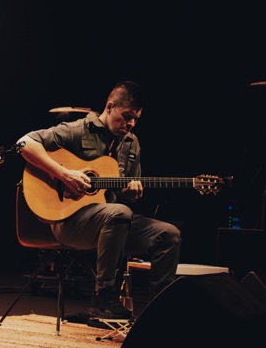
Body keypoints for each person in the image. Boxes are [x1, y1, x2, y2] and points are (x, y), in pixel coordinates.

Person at [16, 81, 181, 318]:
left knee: (169, 234)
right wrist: (63, 173)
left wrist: (131, 192)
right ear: (110, 106)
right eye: (126, 116)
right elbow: (23, 143)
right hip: (69, 222)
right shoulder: (78, 130)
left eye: (136, 119)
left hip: (112, 225)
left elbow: (124, 195)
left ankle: (160, 311)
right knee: (119, 213)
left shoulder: (131, 143)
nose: (131, 124)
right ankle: (103, 296)